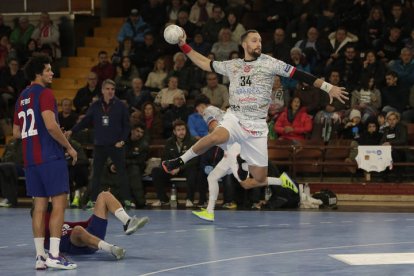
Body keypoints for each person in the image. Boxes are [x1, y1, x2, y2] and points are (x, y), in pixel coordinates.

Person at [162, 29, 348, 190]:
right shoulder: (233, 65)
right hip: (235, 117)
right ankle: (179, 161)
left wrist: (328, 87)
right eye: (254, 40)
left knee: (256, 180)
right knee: (215, 137)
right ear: (244, 44)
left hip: (257, 126)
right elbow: (205, 63)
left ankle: (277, 179)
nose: (259, 43)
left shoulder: (270, 63)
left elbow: (300, 75)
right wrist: (183, 46)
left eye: (260, 40)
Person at [12, 55, 78, 270]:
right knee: (59, 203)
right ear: (38, 74)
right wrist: (68, 146)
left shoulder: (21, 97)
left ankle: (40, 257)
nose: (52, 73)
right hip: (50, 158)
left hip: (31, 160)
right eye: (48, 70)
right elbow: (51, 125)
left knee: (39, 206)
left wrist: (33, 135)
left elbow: (15, 133)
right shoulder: (46, 94)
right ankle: (55, 255)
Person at [192, 104, 299, 222]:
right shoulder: (224, 115)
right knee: (212, 177)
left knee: (246, 184)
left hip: (235, 151)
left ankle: (281, 181)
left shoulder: (209, 112)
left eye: (201, 108)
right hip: (230, 150)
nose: (200, 110)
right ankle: (209, 212)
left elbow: (214, 131)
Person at [66, 79, 132, 209]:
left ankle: (127, 200)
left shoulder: (120, 105)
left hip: (116, 145)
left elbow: (127, 126)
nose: (110, 91)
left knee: (122, 173)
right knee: (96, 174)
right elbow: (85, 121)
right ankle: (92, 200)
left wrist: (122, 140)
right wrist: (72, 131)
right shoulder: (96, 106)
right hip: (100, 145)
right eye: (107, 89)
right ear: (102, 90)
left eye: (112, 89)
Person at [39, 191, 149, 260]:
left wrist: (97, 215)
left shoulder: (62, 224)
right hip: (77, 246)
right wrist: (46, 206)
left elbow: (84, 224)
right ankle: (111, 248)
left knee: (104, 195)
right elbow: (44, 220)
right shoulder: (46, 235)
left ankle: (127, 221)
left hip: (90, 233)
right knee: (77, 230)